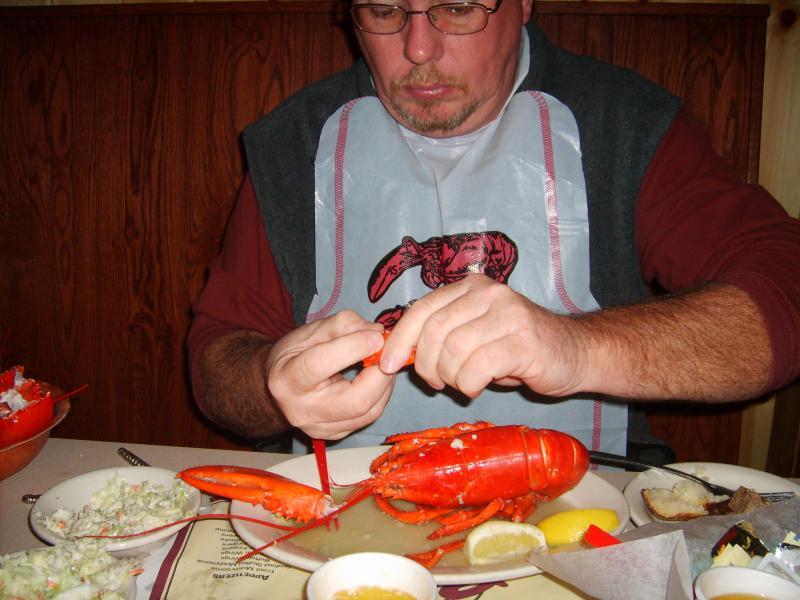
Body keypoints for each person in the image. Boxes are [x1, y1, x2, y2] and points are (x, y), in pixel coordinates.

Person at [187, 0, 800, 457]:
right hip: (354, 513)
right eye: (383, 9)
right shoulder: (295, 142)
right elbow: (216, 358)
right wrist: (273, 387)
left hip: (583, 498)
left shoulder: (623, 122)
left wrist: (577, 346)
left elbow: (787, 289)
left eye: (457, 8)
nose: (419, 47)